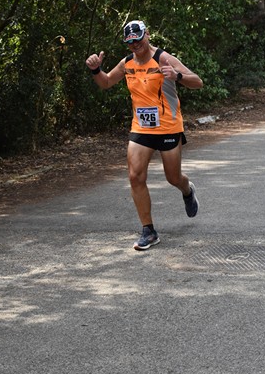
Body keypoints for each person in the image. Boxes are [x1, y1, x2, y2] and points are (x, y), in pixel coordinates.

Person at [85, 20, 203, 251]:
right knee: (135, 176)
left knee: (173, 177)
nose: (135, 45)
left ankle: (187, 190)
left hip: (168, 127)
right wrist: (95, 70)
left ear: (147, 35)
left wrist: (177, 76)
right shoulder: (127, 63)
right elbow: (107, 82)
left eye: (138, 39)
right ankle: (148, 230)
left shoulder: (163, 58)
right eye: (130, 42)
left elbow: (197, 82)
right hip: (141, 127)